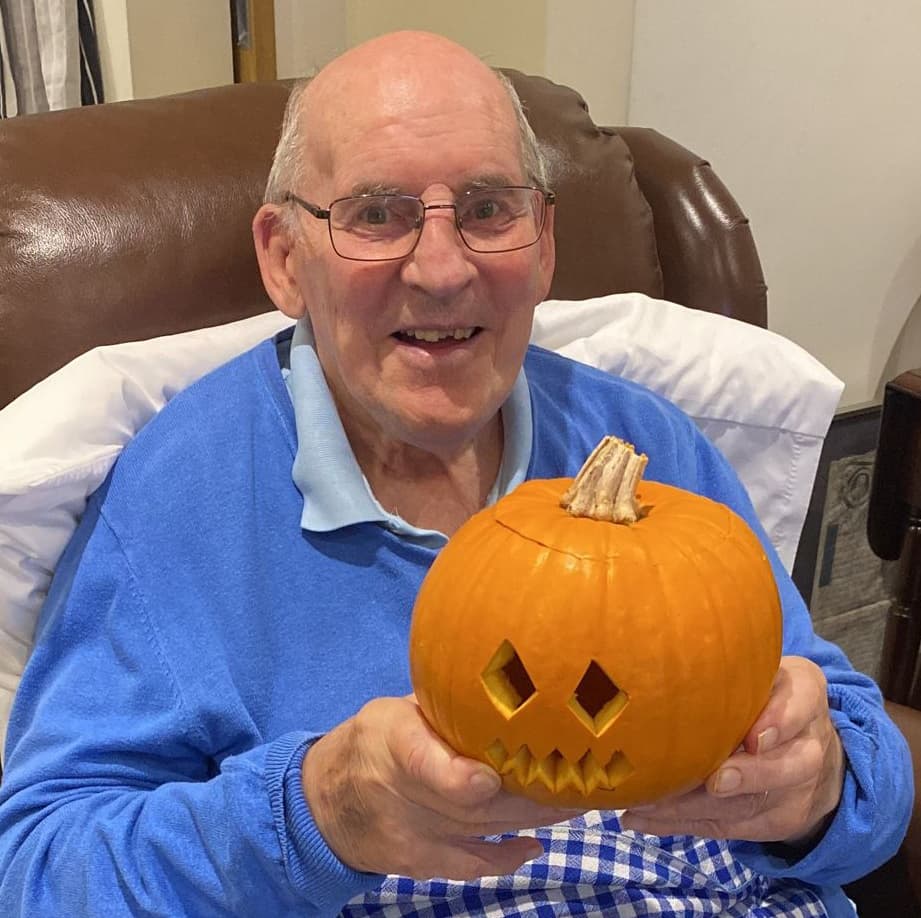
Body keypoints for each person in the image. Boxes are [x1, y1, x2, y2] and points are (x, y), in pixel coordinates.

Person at [0, 29, 911, 918]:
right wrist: (312, 815)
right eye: (375, 213)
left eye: (486, 209)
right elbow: (38, 871)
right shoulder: (177, 497)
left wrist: (821, 787)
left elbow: (862, 778)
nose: (441, 270)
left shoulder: (646, 444)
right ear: (283, 256)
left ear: (544, 242)